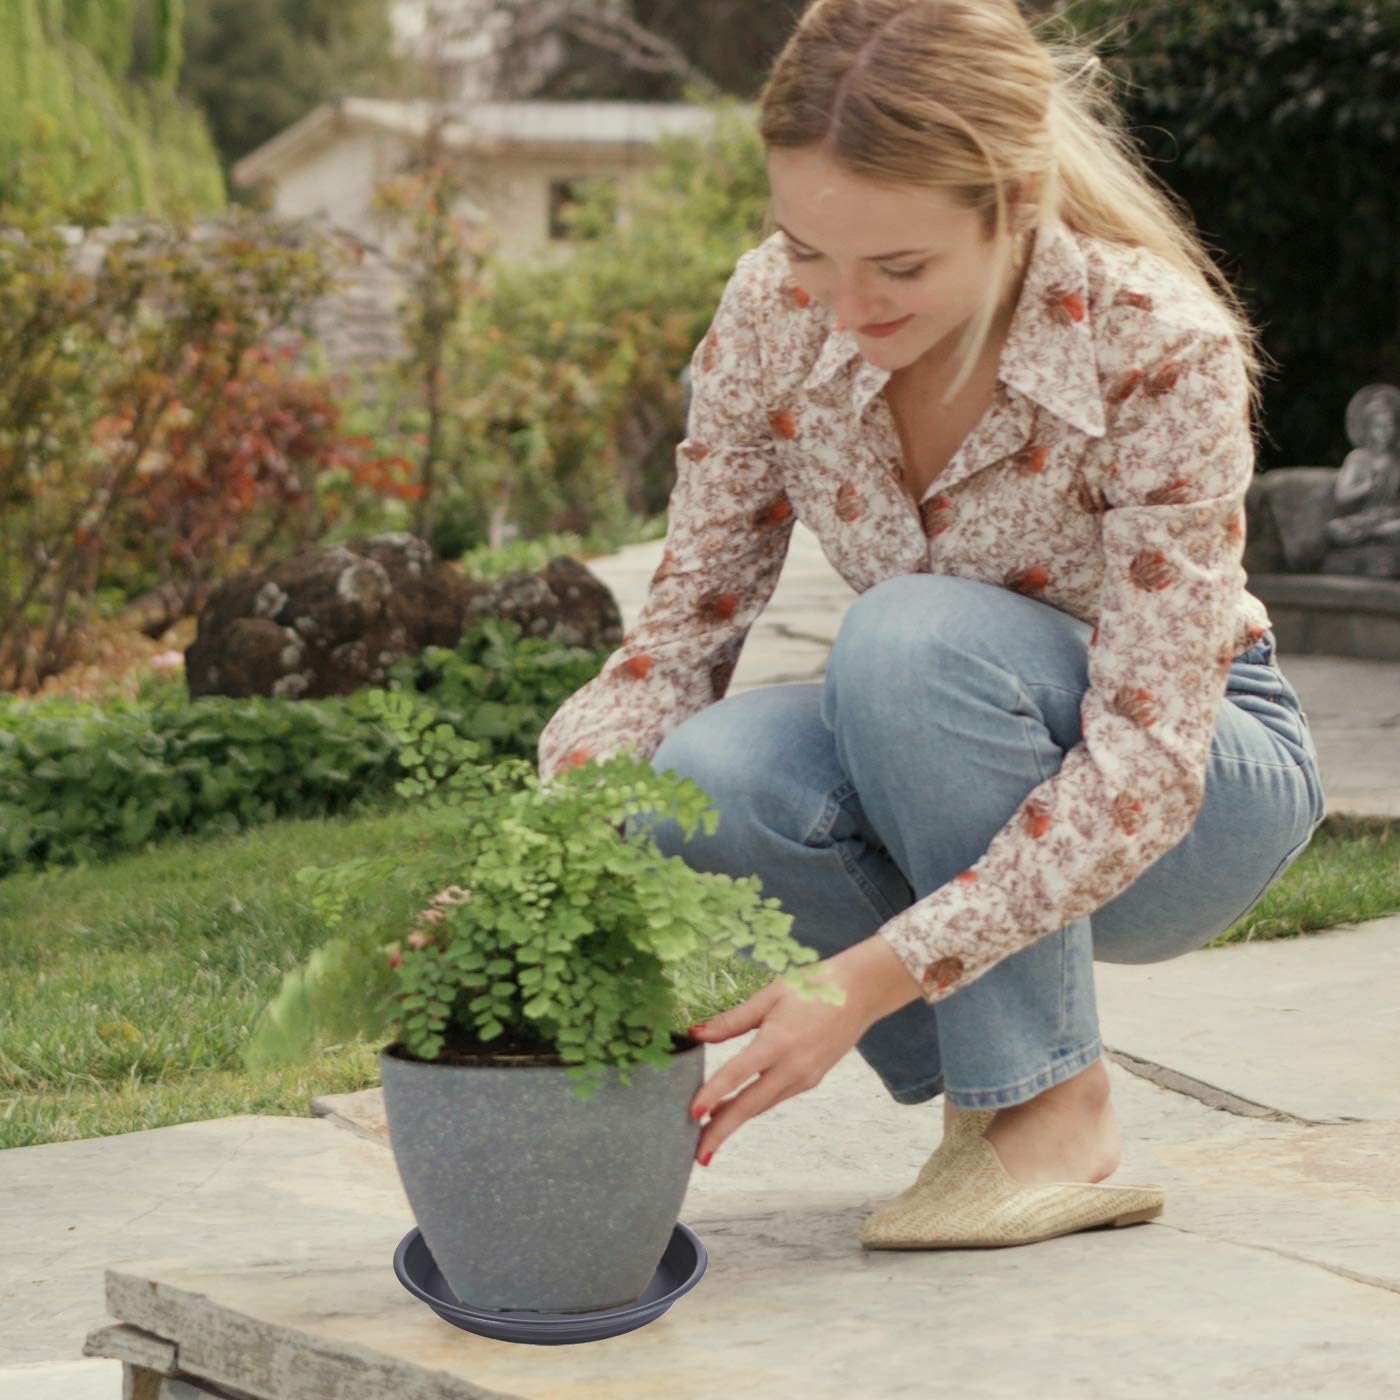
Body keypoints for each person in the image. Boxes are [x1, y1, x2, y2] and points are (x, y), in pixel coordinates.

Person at [536, 0, 1327, 1249]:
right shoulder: (769, 314)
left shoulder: (1157, 348)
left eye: (897, 267)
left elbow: (1147, 762)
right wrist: (544, 853)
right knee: (703, 775)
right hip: (947, 767)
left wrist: (850, 984)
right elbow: (677, 642)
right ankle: (991, 1106)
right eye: (806, 249)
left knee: (905, 640)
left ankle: (1052, 1114)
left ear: (1011, 203)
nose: (841, 305)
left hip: (1193, 784)